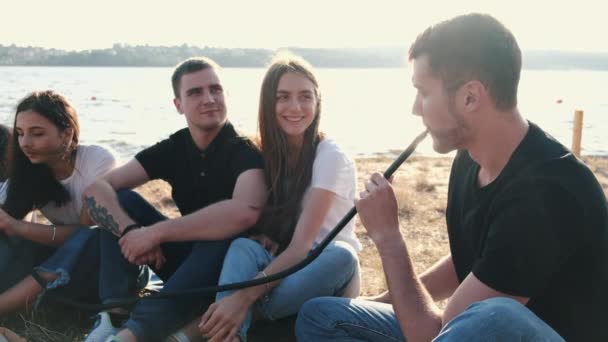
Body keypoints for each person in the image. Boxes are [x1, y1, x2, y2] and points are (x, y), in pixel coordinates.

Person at [295, 13, 608, 342]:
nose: (416, 108)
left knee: (494, 316)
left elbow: (434, 334)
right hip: (470, 331)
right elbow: (477, 260)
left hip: (515, 332)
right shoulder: (470, 159)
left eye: (423, 92)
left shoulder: (548, 193)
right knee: (322, 315)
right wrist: (384, 302)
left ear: (470, 96)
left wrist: (389, 238)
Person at [82, 57, 266, 342]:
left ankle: (133, 334)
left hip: (230, 273)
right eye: (195, 92)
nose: (208, 99)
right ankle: (113, 316)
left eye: (215, 89)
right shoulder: (175, 147)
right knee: (121, 201)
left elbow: (245, 214)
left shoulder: (244, 151)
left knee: (225, 234)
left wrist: (154, 233)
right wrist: (131, 232)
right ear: (178, 105)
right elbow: (97, 189)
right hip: (185, 263)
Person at [197, 53, 361, 342]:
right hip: (284, 270)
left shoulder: (330, 156)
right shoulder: (270, 154)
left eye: (305, 97)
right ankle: (232, 337)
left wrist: (242, 298)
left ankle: (236, 315)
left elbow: (302, 248)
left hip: (324, 272)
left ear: (318, 101)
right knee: (242, 247)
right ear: (268, 103)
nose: (295, 107)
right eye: (283, 97)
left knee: (342, 255)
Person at [0, 90, 117, 314]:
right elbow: (8, 217)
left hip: (109, 264)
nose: (25, 143)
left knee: (89, 236)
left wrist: (19, 227)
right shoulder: (29, 172)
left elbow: (87, 232)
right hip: (61, 261)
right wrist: (12, 225)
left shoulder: (98, 160)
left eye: (37, 133)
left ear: (66, 133)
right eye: (20, 133)